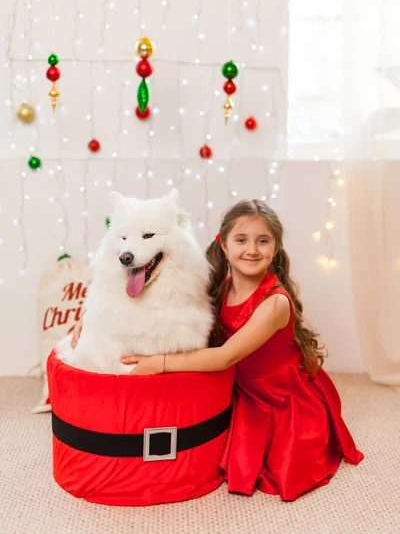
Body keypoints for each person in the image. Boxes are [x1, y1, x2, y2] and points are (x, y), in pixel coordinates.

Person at [71, 199, 363, 501]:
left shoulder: (275, 303)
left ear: (275, 249)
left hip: (277, 394)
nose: (252, 249)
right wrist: (90, 322)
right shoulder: (220, 286)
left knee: (270, 465)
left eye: (263, 241)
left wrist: (159, 362)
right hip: (237, 384)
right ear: (223, 245)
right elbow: (160, 307)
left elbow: (226, 356)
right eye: (241, 240)